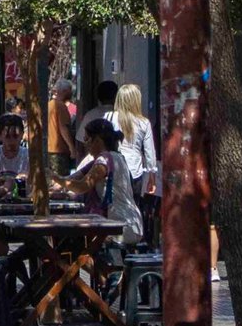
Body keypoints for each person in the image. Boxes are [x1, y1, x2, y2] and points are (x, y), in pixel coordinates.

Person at [55, 117, 143, 247]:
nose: (85, 144)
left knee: (71, 243)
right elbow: (74, 177)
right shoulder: (115, 157)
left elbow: (82, 186)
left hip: (121, 226)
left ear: (97, 140)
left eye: (87, 139)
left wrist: (55, 178)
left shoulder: (105, 160)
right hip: (131, 223)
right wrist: (54, 187)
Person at [110, 83, 159, 233]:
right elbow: (150, 152)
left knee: (115, 203)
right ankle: (134, 234)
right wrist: (152, 175)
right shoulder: (143, 122)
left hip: (115, 168)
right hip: (135, 170)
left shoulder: (111, 117)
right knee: (134, 204)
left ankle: (117, 234)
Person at [47, 79, 77, 177]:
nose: (71, 94)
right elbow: (63, 128)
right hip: (59, 151)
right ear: (63, 91)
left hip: (49, 150)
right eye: (69, 91)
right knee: (61, 181)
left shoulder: (49, 105)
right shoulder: (60, 106)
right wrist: (72, 148)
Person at [75, 79, 119, 145]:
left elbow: (81, 140)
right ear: (116, 96)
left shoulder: (90, 115)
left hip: (95, 154)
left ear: (98, 97)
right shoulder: (122, 116)